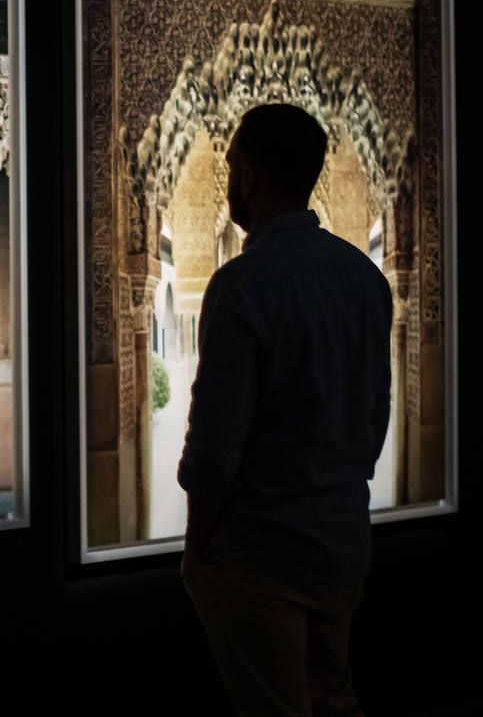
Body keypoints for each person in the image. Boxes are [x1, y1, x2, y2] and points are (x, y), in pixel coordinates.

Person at [178, 103, 392, 717]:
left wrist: (200, 549)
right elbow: (373, 420)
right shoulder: (363, 278)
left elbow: (215, 441)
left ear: (247, 176)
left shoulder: (243, 285)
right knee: (332, 694)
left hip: (263, 555)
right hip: (342, 541)